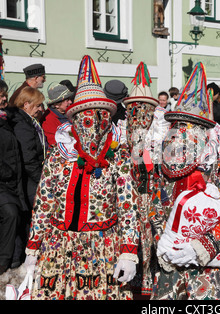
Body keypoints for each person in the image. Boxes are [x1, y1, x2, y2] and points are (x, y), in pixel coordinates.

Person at [23, 55, 140, 300]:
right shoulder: (60, 154)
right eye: (85, 116)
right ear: (74, 118)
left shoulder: (117, 156)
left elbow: (128, 208)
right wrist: (32, 250)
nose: (92, 122)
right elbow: (44, 203)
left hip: (101, 248)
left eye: (99, 115)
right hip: (57, 247)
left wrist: (128, 253)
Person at [150, 62, 220, 300]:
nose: (181, 133)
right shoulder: (163, 163)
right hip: (170, 263)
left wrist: (202, 247)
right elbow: (155, 207)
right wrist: (165, 245)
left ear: (204, 131)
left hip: (209, 267)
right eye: (177, 126)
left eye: (190, 127)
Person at [122, 61, 163, 297]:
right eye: (135, 109)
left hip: (151, 198)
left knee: (151, 239)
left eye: (144, 110)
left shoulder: (159, 137)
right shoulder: (121, 133)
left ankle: (149, 282)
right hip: (131, 198)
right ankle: (136, 283)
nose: (139, 115)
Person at [5, 86, 46, 269]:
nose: (40, 109)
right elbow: (28, 158)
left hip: (32, 179)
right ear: (26, 104)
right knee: (32, 219)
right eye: (37, 105)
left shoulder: (29, 121)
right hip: (30, 182)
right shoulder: (22, 124)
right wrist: (41, 181)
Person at [0, 81, 27, 275]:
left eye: (4, 94)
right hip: (3, 180)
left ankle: (14, 260)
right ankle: (3, 261)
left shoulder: (7, 118)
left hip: (12, 180)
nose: (4, 98)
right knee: (10, 213)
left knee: (17, 215)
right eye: (1, 95)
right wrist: (6, 172)